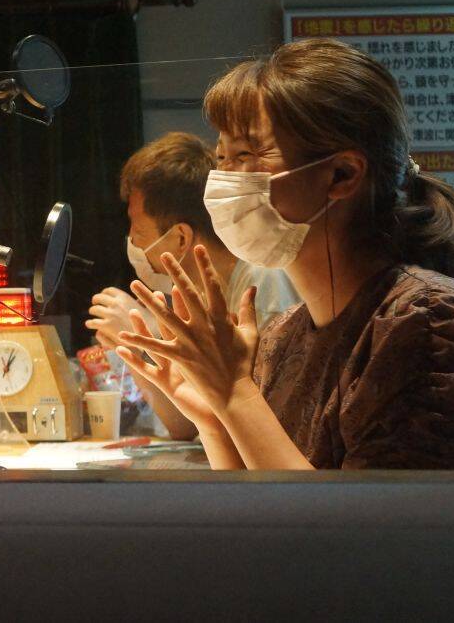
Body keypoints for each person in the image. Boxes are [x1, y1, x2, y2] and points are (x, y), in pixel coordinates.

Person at [114, 39, 454, 470]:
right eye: (222, 156)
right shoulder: (285, 334)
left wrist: (234, 393)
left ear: (342, 174)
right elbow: (255, 498)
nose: (223, 178)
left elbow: (351, 514)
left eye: (246, 154)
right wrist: (214, 417)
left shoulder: (428, 323)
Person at [87, 133, 300, 440]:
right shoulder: (199, 296)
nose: (133, 243)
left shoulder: (262, 287)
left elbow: (264, 433)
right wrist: (137, 346)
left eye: (140, 234)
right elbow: (185, 426)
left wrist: (151, 335)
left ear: (181, 238)